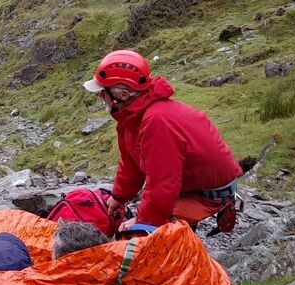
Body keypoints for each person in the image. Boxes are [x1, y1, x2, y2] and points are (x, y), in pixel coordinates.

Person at [83, 49, 243, 232]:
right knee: (142, 217)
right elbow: (131, 164)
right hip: (192, 187)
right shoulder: (132, 119)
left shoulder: (156, 122)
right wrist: (119, 197)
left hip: (208, 196)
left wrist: (142, 224)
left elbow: (163, 186)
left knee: (134, 233)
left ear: (123, 95)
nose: (101, 97)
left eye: (102, 92)